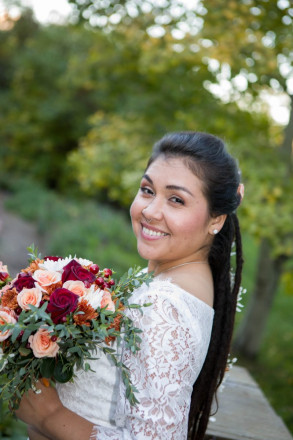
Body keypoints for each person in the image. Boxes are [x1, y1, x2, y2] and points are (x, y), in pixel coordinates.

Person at [15, 131, 244, 440]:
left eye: (176, 199)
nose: (150, 211)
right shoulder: (179, 282)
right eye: (147, 190)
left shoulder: (164, 305)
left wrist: (49, 415)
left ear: (216, 219)